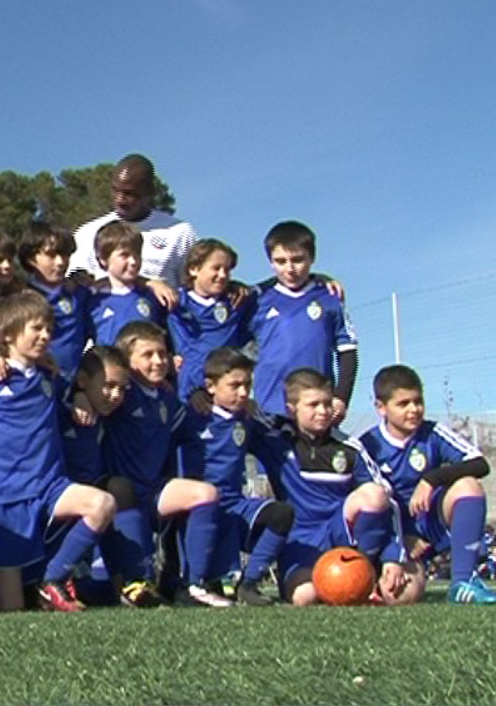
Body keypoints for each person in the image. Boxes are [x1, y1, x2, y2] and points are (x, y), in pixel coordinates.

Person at [0, 291, 132, 612]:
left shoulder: (48, 377)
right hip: (7, 495)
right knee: (11, 608)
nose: (46, 336)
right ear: (8, 335)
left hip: (50, 485)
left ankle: (53, 579)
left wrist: (80, 398)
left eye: (48, 329)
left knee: (102, 504)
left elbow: (72, 395)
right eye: (36, 329)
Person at [248, 369, 411, 606]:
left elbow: (389, 502)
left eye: (327, 403)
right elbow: (234, 416)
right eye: (313, 405)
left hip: (341, 534)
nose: (323, 411)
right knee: (305, 597)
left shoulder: (348, 447)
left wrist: (392, 558)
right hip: (300, 541)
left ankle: (365, 573)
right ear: (291, 409)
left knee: (374, 496)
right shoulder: (275, 439)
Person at [101, 322, 228, 607]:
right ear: (128, 361)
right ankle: (137, 583)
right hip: (119, 496)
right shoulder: (120, 392)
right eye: (147, 355)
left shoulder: (166, 397)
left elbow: (191, 431)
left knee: (205, 494)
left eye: (162, 353)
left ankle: (194, 584)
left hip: (153, 490)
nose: (158, 361)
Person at [356, 364, 496, 605]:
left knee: (468, 486)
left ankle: (463, 582)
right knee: (401, 596)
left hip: (430, 523)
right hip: (394, 536)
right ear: (381, 408)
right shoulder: (368, 445)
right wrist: (400, 542)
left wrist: (431, 479)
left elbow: (479, 463)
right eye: (403, 404)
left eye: (418, 401)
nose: (414, 409)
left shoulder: (432, 433)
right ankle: (375, 577)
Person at [176, 348, 296, 606]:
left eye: (247, 385)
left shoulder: (248, 419)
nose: (243, 393)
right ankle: (193, 585)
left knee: (281, 514)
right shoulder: (191, 417)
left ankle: (249, 584)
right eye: (235, 385)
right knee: (205, 505)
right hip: (199, 509)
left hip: (235, 505)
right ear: (210, 386)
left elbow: (278, 432)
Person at [58, 346, 162, 607]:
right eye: (109, 386)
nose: (116, 395)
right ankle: (55, 579)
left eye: (122, 388)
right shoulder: (65, 409)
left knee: (119, 487)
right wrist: (77, 395)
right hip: (56, 498)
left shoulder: (110, 414)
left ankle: (133, 581)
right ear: (82, 381)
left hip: (93, 500)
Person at [249, 221, 358, 421]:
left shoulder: (330, 297)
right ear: (270, 262)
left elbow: (347, 352)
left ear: (312, 258)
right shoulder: (256, 301)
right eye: (280, 261)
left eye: (297, 260)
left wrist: (341, 397)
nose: (289, 269)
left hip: (318, 410)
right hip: (269, 410)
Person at [69, 154, 197, 287]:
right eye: (115, 190)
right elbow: (72, 283)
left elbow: (193, 289)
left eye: (129, 194)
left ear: (150, 192)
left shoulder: (179, 233)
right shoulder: (87, 233)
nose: (119, 199)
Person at [167, 239, 255, 399]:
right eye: (216, 268)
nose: (222, 275)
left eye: (227, 270)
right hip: (188, 390)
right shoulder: (175, 303)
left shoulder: (237, 302)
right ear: (194, 269)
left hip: (227, 392)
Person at [19, 221, 92, 378]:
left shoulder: (79, 292)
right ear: (31, 258)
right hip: (38, 382)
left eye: (65, 255)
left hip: (74, 384)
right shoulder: (21, 298)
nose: (60, 262)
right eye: (51, 255)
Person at [88, 221, 167, 347]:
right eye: (124, 255)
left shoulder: (153, 295)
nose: (133, 261)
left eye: (137, 254)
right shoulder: (91, 300)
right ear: (103, 259)